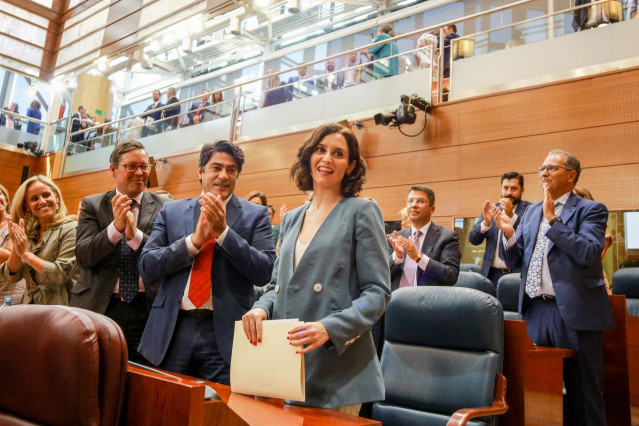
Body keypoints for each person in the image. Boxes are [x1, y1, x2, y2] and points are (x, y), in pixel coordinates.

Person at [242, 123, 391, 412]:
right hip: (287, 364)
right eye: (320, 150)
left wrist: (330, 328)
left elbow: (378, 294)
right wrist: (261, 308)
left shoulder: (362, 211)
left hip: (337, 369)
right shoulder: (290, 219)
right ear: (308, 156)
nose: (326, 159)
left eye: (338, 153)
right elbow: (277, 286)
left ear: (350, 166)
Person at [137, 140, 275, 385]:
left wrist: (224, 233)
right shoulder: (172, 211)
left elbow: (264, 271)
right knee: (166, 409)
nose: (223, 175)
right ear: (200, 171)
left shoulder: (256, 215)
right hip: (172, 328)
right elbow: (147, 266)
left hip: (224, 333)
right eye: (216, 167)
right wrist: (192, 242)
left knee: (218, 414)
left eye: (231, 170)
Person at [493, 149, 614, 426]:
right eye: (542, 168)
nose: (544, 172)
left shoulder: (590, 210)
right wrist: (509, 233)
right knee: (534, 393)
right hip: (536, 310)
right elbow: (516, 260)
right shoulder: (533, 210)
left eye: (552, 168)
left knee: (585, 395)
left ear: (571, 176)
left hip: (575, 313)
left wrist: (553, 221)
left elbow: (588, 253)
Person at [71, 140, 168, 364]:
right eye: (131, 166)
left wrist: (135, 237)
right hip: (100, 306)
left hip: (146, 308)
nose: (140, 172)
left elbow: (165, 257)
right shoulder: (92, 205)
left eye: (145, 166)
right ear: (113, 169)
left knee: (140, 378)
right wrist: (115, 229)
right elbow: (84, 257)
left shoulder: (165, 207)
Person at [0, 175, 78, 305]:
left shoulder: (71, 228)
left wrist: (26, 254)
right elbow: (12, 275)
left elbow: (60, 273)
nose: (42, 201)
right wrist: (16, 247)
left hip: (60, 308)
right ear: (27, 206)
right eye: (34, 198)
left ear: (56, 197)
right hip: (29, 307)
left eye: (46, 195)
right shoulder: (30, 233)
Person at [387, 185, 461, 291]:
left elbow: (451, 276)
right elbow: (381, 276)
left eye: (420, 201)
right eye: (410, 201)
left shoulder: (447, 237)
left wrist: (418, 257)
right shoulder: (396, 238)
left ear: (432, 209)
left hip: (426, 303)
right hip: (396, 303)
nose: (414, 205)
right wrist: (397, 257)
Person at [468, 172, 531, 286]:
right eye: (505, 188)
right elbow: (473, 239)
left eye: (514, 188)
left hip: (517, 274)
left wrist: (511, 216)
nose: (508, 193)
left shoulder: (531, 210)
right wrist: (485, 224)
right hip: (491, 274)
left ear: (522, 190)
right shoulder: (492, 209)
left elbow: (527, 236)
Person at [573, 186, 613, 292]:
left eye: (573, 197)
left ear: (585, 198)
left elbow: (598, 255)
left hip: (591, 277)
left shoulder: (597, 221)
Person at [0, 184, 25, 303]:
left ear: (5, 198)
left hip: (9, 292)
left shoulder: (15, 222)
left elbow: (10, 256)